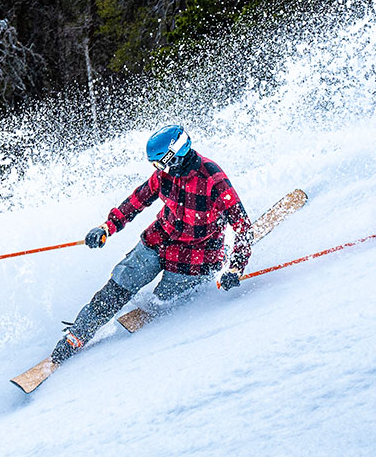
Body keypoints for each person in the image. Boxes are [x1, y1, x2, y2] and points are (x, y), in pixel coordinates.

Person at [50, 124, 253, 364]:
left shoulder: (213, 180)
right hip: (160, 240)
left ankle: (217, 262)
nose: (158, 170)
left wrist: (235, 268)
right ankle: (78, 334)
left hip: (194, 257)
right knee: (122, 281)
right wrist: (107, 227)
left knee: (165, 300)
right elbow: (136, 201)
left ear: (175, 154)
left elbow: (243, 228)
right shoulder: (165, 175)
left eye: (160, 163)